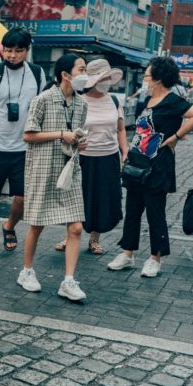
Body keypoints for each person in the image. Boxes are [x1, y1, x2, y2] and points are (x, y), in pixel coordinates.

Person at [108, 57, 193, 277]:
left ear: (159, 78)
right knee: (132, 211)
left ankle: (155, 258)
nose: (144, 79)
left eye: (147, 75)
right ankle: (127, 253)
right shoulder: (148, 100)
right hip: (137, 163)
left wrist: (176, 137)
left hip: (158, 166)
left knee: (155, 213)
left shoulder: (172, 100)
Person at [0, 28, 47, 260]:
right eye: (8, 50)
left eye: (18, 51)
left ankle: (9, 225)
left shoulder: (36, 74)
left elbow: (41, 109)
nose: (12, 55)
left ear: (27, 51)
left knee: (23, 197)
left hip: (24, 148)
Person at [18, 54, 89, 302]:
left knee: (77, 226)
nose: (85, 74)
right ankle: (26, 271)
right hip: (43, 167)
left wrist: (80, 142)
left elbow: (75, 135)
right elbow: (28, 135)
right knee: (37, 223)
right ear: (65, 75)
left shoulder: (82, 104)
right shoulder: (43, 100)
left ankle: (68, 281)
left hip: (69, 168)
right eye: (81, 69)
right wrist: (61, 134)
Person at [55, 59, 127, 255]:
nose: (105, 82)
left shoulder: (114, 101)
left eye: (107, 78)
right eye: (102, 79)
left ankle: (94, 240)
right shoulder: (78, 101)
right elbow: (68, 129)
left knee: (102, 199)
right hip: (82, 157)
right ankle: (70, 236)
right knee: (77, 198)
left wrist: (125, 151)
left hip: (109, 157)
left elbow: (121, 129)